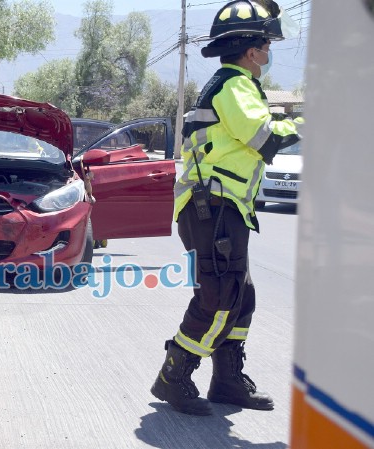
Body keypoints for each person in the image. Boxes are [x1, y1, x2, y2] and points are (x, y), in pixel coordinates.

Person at [150, 0, 303, 415]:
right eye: (267, 46)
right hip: (212, 207)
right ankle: (173, 376)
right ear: (252, 51)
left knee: (240, 296)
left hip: (223, 208)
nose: (269, 54)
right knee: (219, 296)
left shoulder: (236, 85)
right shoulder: (235, 86)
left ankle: (227, 380)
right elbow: (265, 138)